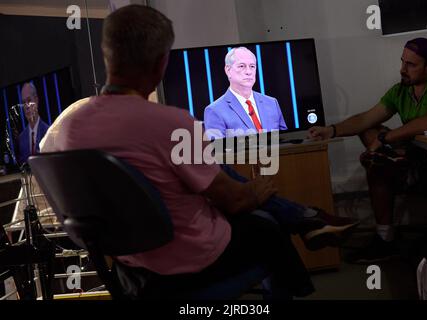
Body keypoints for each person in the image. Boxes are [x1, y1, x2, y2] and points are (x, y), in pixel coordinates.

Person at [40, 5, 357, 299]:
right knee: (265, 225)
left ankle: (307, 220)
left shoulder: (71, 126)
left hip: (129, 266)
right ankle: (305, 223)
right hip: (189, 262)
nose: (249, 72)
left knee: (218, 173)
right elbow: (234, 200)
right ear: (161, 63)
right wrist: (257, 190)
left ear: (107, 55)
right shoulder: (172, 122)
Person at [308, 38, 427, 263]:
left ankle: (389, 158)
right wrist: (331, 130)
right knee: (370, 138)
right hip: (411, 158)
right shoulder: (400, 91)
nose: (402, 69)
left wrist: (385, 138)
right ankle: (385, 238)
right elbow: (366, 118)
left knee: (379, 150)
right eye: (402, 62)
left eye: (411, 65)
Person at [204, 47, 287, 140]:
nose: (248, 72)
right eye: (242, 66)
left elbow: (286, 139)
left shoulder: (272, 103)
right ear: (228, 70)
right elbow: (218, 150)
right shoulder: (215, 111)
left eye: (252, 66)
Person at [16, 82, 49, 165]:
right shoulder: (21, 138)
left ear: (36, 100)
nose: (27, 106)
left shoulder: (48, 132)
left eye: (29, 100)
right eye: (23, 102)